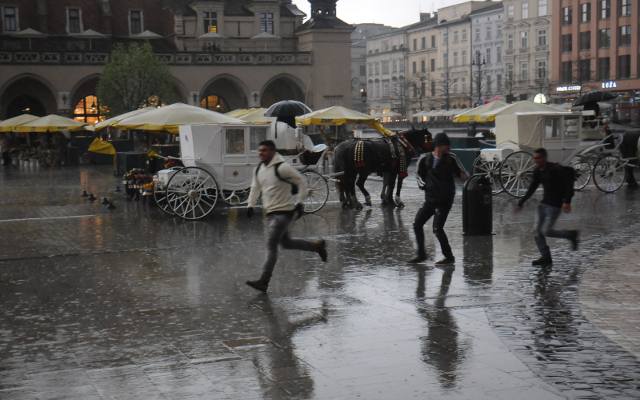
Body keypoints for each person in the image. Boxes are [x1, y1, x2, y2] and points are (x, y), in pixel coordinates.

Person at [245, 140, 327, 293]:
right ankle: (316, 247)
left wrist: (300, 202)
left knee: (271, 246)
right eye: (259, 150)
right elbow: (255, 187)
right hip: (271, 213)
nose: (260, 153)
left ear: (272, 152)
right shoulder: (259, 169)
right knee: (286, 243)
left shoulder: (282, 167)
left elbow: (301, 181)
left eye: (264, 150)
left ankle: (264, 280)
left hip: (283, 213)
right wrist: (250, 205)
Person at [410, 133, 467, 265]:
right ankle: (421, 254)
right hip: (430, 199)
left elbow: (462, 173)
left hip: (445, 200)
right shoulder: (425, 159)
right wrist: (424, 186)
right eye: (446, 145)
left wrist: (466, 178)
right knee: (417, 224)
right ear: (439, 146)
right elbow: (418, 175)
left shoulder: (451, 158)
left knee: (437, 228)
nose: (449, 148)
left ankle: (449, 257)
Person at [517, 148, 579, 267]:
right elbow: (532, 187)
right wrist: (521, 202)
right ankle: (546, 257)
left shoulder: (555, 169)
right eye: (534, 158)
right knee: (536, 231)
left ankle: (570, 235)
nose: (536, 161)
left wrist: (567, 201)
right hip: (543, 205)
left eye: (538, 158)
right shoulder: (537, 171)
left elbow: (568, 184)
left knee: (546, 231)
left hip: (555, 206)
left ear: (544, 158)